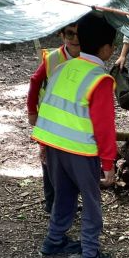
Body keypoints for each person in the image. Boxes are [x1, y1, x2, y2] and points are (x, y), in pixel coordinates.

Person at [32, 12, 118, 258]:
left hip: (54, 146)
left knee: (64, 195)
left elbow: (47, 104)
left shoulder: (62, 68)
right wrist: (108, 163)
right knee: (91, 203)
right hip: (81, 151)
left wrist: (44, 145)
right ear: (106, 49)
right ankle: (90, 256)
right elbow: (104, 126)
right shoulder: (100, 79)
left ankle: (54, 239)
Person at [27, 23, 81, 213]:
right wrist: (32, 111)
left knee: (70, 159)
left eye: (79, 34)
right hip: (49, 118)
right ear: (62, 35)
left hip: (73, 120)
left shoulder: (87, 58)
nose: (75, 38)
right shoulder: (53, 58)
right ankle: (52, 202)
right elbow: (35, 82)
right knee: (49, 160)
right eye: (70, 34)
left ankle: (69, 201)